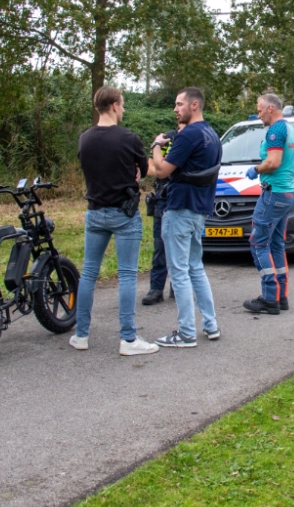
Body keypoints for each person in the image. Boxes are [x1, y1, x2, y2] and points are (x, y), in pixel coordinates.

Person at [71, 86, 158, 356]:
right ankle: (128, 339)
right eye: (122, 104)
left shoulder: (84, 139)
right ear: (114, 106)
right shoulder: (128, 138)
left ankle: (81, 334)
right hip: (124, 213)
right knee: (128, 274)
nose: (123, 108)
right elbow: (146, 171)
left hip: (95, 211)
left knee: (88, 273)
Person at [150, 87, 222, 347]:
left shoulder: (188, 135)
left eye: (179, 104)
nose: (175, 109)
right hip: (199, 210)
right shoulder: (212, 135)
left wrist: (157, 146)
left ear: (194, 105)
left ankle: (186, 332)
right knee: (195, 268)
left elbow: (161, 171)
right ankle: (211, 324)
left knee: (179, 271)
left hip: (179, 208)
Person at [242, 94, 294, 315]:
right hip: (286, 194)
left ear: (270, 108)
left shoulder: (276, 130)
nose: (258, 115)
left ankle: (269, 298)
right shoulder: (290, 130)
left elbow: (273, 162)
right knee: (276, 245)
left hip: (273, 194)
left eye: (259, 110)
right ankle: (280, 295)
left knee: (258, 243)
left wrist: (256, 169)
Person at [142, 121, 185, 306]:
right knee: (160, 246)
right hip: (162, 197)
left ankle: (178, 286)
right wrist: (164, 169)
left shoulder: (191, 140)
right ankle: (156, 288)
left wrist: (165, 169)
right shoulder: (167, 138)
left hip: (182, 196)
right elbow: (151, 167)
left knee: (182, 245)